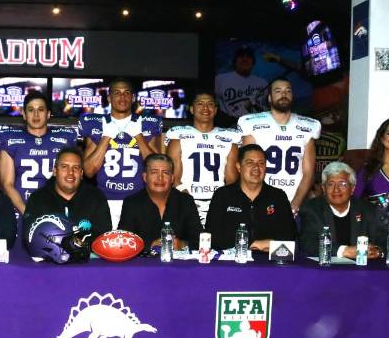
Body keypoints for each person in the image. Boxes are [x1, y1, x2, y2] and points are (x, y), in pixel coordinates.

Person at [79, 78, 161, 227]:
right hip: (105, 200)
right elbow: (89, 171)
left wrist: (139, 138)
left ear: (133, 97)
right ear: (109, 97)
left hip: (138, 200)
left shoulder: (147, 123)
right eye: (117, 93)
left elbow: (157, 167)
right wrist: (105, 138)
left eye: (126, 93)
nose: (122, 97)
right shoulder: (96, 123)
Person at [238, 78, 321, 213]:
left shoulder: (308, 126)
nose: (284, 94)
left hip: (295, 198)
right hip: (259, 199)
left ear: (293, 96)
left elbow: (309, 173)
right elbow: (246, 168)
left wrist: (294, 205)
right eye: (278, 91)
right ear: (270, 98)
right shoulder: (251, 123)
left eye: (288, 91)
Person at [165, 91, 242, 224]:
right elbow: (173, 177)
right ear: (192, 109)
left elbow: (231, 179)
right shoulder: (178, 136)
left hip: (218, 201)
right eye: (200, 103)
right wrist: (186, 200)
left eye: (210, 104)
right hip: (186, 199)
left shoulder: (229, 137)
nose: (205, 108)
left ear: (216, 109)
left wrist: (223, 201)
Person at [0, 91, 78, 214]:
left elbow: (72, 180)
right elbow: (7, 184)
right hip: (21, 209)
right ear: (24, 114)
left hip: (56, 209)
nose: (36, 114)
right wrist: (27, 212)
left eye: (40, 109)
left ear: (48, 114)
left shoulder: (64, 138)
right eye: (30, 110)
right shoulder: (10, 139)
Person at [206, 144, 296, 251]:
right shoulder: (223, 195)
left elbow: (289, 237)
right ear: (239, 167)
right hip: (232, 263)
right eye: (250, 163)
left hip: (269, 262)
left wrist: (270, 246)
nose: (256, 168)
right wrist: (253, 244)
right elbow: (212, 237)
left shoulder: (278, 197)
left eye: (261, 163)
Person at [298, 162, 385, 259]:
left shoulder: (368, 209)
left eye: (342, 184)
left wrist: (377, 251)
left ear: (352, 188)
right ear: (323, 188)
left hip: (361, 270)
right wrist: (344, 251)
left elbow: (384, 239)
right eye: (330, 184)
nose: (336, 189)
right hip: (325, 270)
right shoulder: (311, 209)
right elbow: (307, 244)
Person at [24, 147, 111, 241]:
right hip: (46, 255)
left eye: (76, 168)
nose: (70, 173)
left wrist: (80, 247)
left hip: (87, 255)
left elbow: (103, 237)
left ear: (81, 174)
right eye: (64, 167)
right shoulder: (38, 199)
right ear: (55, 171)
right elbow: (29, 237)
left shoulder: (96, 197)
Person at [118, 154, 202, 250]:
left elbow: (200, 240)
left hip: (178, 263)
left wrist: (182, 245)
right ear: (145, 177)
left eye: (165, 173)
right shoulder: (132, 202)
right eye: (154, 172)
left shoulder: (186, 201)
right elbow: (123, 241)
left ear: (172, 178)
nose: (160, 178)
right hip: (143, 263)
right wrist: (150, 245)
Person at [214, 47, 269, 122]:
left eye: (248, 56)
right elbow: (214, 104)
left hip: (256, 124)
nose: (245, 59)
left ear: (253, 62)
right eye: (241, 56)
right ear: (235, 61)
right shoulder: (220, 79)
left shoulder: (262, 82)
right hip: (230, 125)